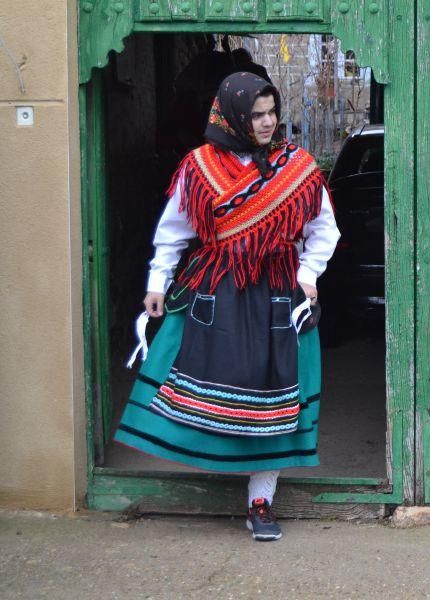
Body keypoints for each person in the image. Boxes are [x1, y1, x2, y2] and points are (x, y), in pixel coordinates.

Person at [115, 72, 339, 542]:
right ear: (233, 115)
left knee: (277, 393)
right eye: (256, 114)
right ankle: (211, 467)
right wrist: (158, 281)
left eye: (271, 112)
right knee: (207, 384)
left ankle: (261, 502)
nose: (266, 122)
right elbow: (173, 230)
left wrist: (307, 275)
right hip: (215, 291)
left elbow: (324, 230)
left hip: (278, 291)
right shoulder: (198, 167)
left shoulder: (298, 168)